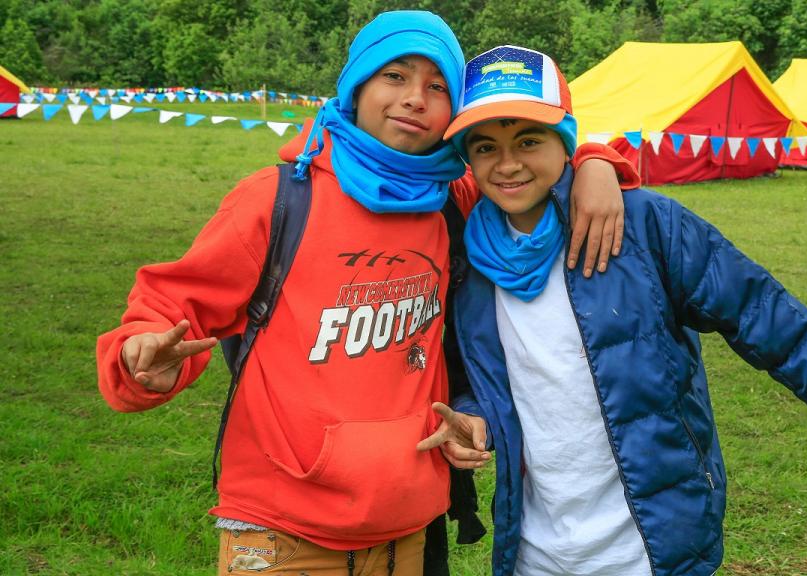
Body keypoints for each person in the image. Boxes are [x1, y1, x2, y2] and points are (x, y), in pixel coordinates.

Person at [96, 13, 636, 576]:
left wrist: (595, 163)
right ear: (357, 85)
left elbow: (530, 163)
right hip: (282, 530)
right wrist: (139, 358)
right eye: (395, 76)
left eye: (437, 87)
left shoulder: (455, 198)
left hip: (412, 524)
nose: (414, 99)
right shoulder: (277, 200)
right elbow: (172, 305)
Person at [429, 45, 807, 576]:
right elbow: (490, 371)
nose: (509, 162)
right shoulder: (470, 253)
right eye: (486, 145)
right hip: (535, 548)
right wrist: (475, 412)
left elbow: (769, 319)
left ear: (565, 141)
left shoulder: (646, 226)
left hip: (649, 543)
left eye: (530, 140)